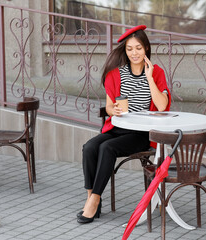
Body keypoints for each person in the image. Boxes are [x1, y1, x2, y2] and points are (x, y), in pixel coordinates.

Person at [77, 25, 171, 224]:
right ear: (125, 51)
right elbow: (109, 107)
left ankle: (94, 200)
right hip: (117, 128)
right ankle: (91, 198)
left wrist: (149, 78)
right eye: (129, 49)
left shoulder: (157, 73)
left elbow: (162, 106)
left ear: (146, 48)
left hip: (141, 134)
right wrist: (114, 111)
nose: (134, 53)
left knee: (107, 148)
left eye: (138, 48)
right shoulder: (116, 74)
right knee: (90, 147)